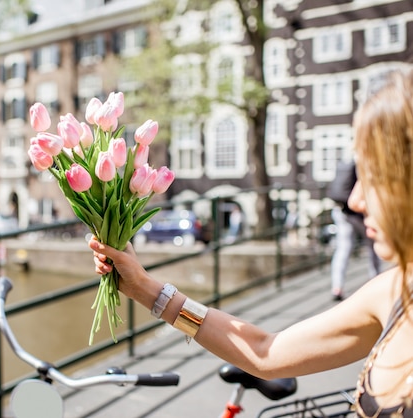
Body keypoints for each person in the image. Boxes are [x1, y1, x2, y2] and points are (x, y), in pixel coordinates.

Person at [88, 69, 413, 417]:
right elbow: (266, 352)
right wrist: (145, 289)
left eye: (375, 177)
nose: (355, 200)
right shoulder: (395, 291)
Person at [330, 163, 381, 301]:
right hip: (357, 215)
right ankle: (376, 281)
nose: (355, 200)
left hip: (342, 212)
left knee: (343, 249)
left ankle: (337, 286)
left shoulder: (348, 162)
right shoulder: (365, 163)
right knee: (372, 247)